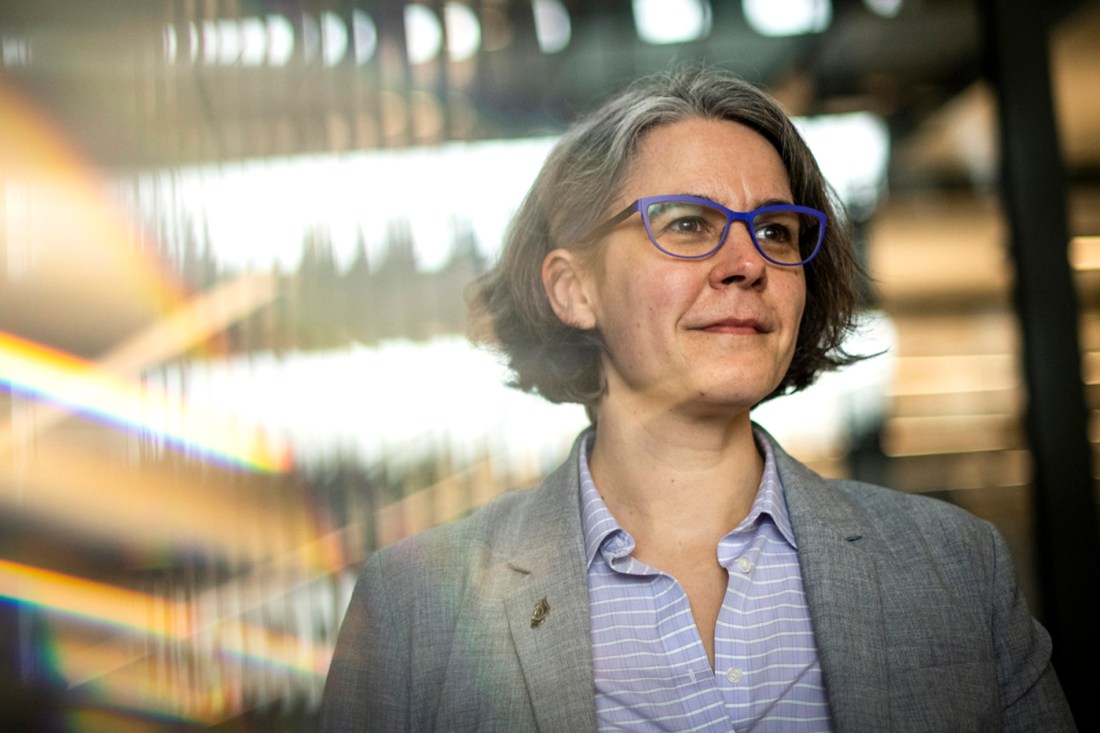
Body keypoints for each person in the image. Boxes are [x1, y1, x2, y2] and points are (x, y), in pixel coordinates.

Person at [320, 68, 1075, 731]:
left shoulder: (953, 567)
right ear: (574, 289)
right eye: (687, 224)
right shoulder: (414, 608)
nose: (747, 262)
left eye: (775, 231)